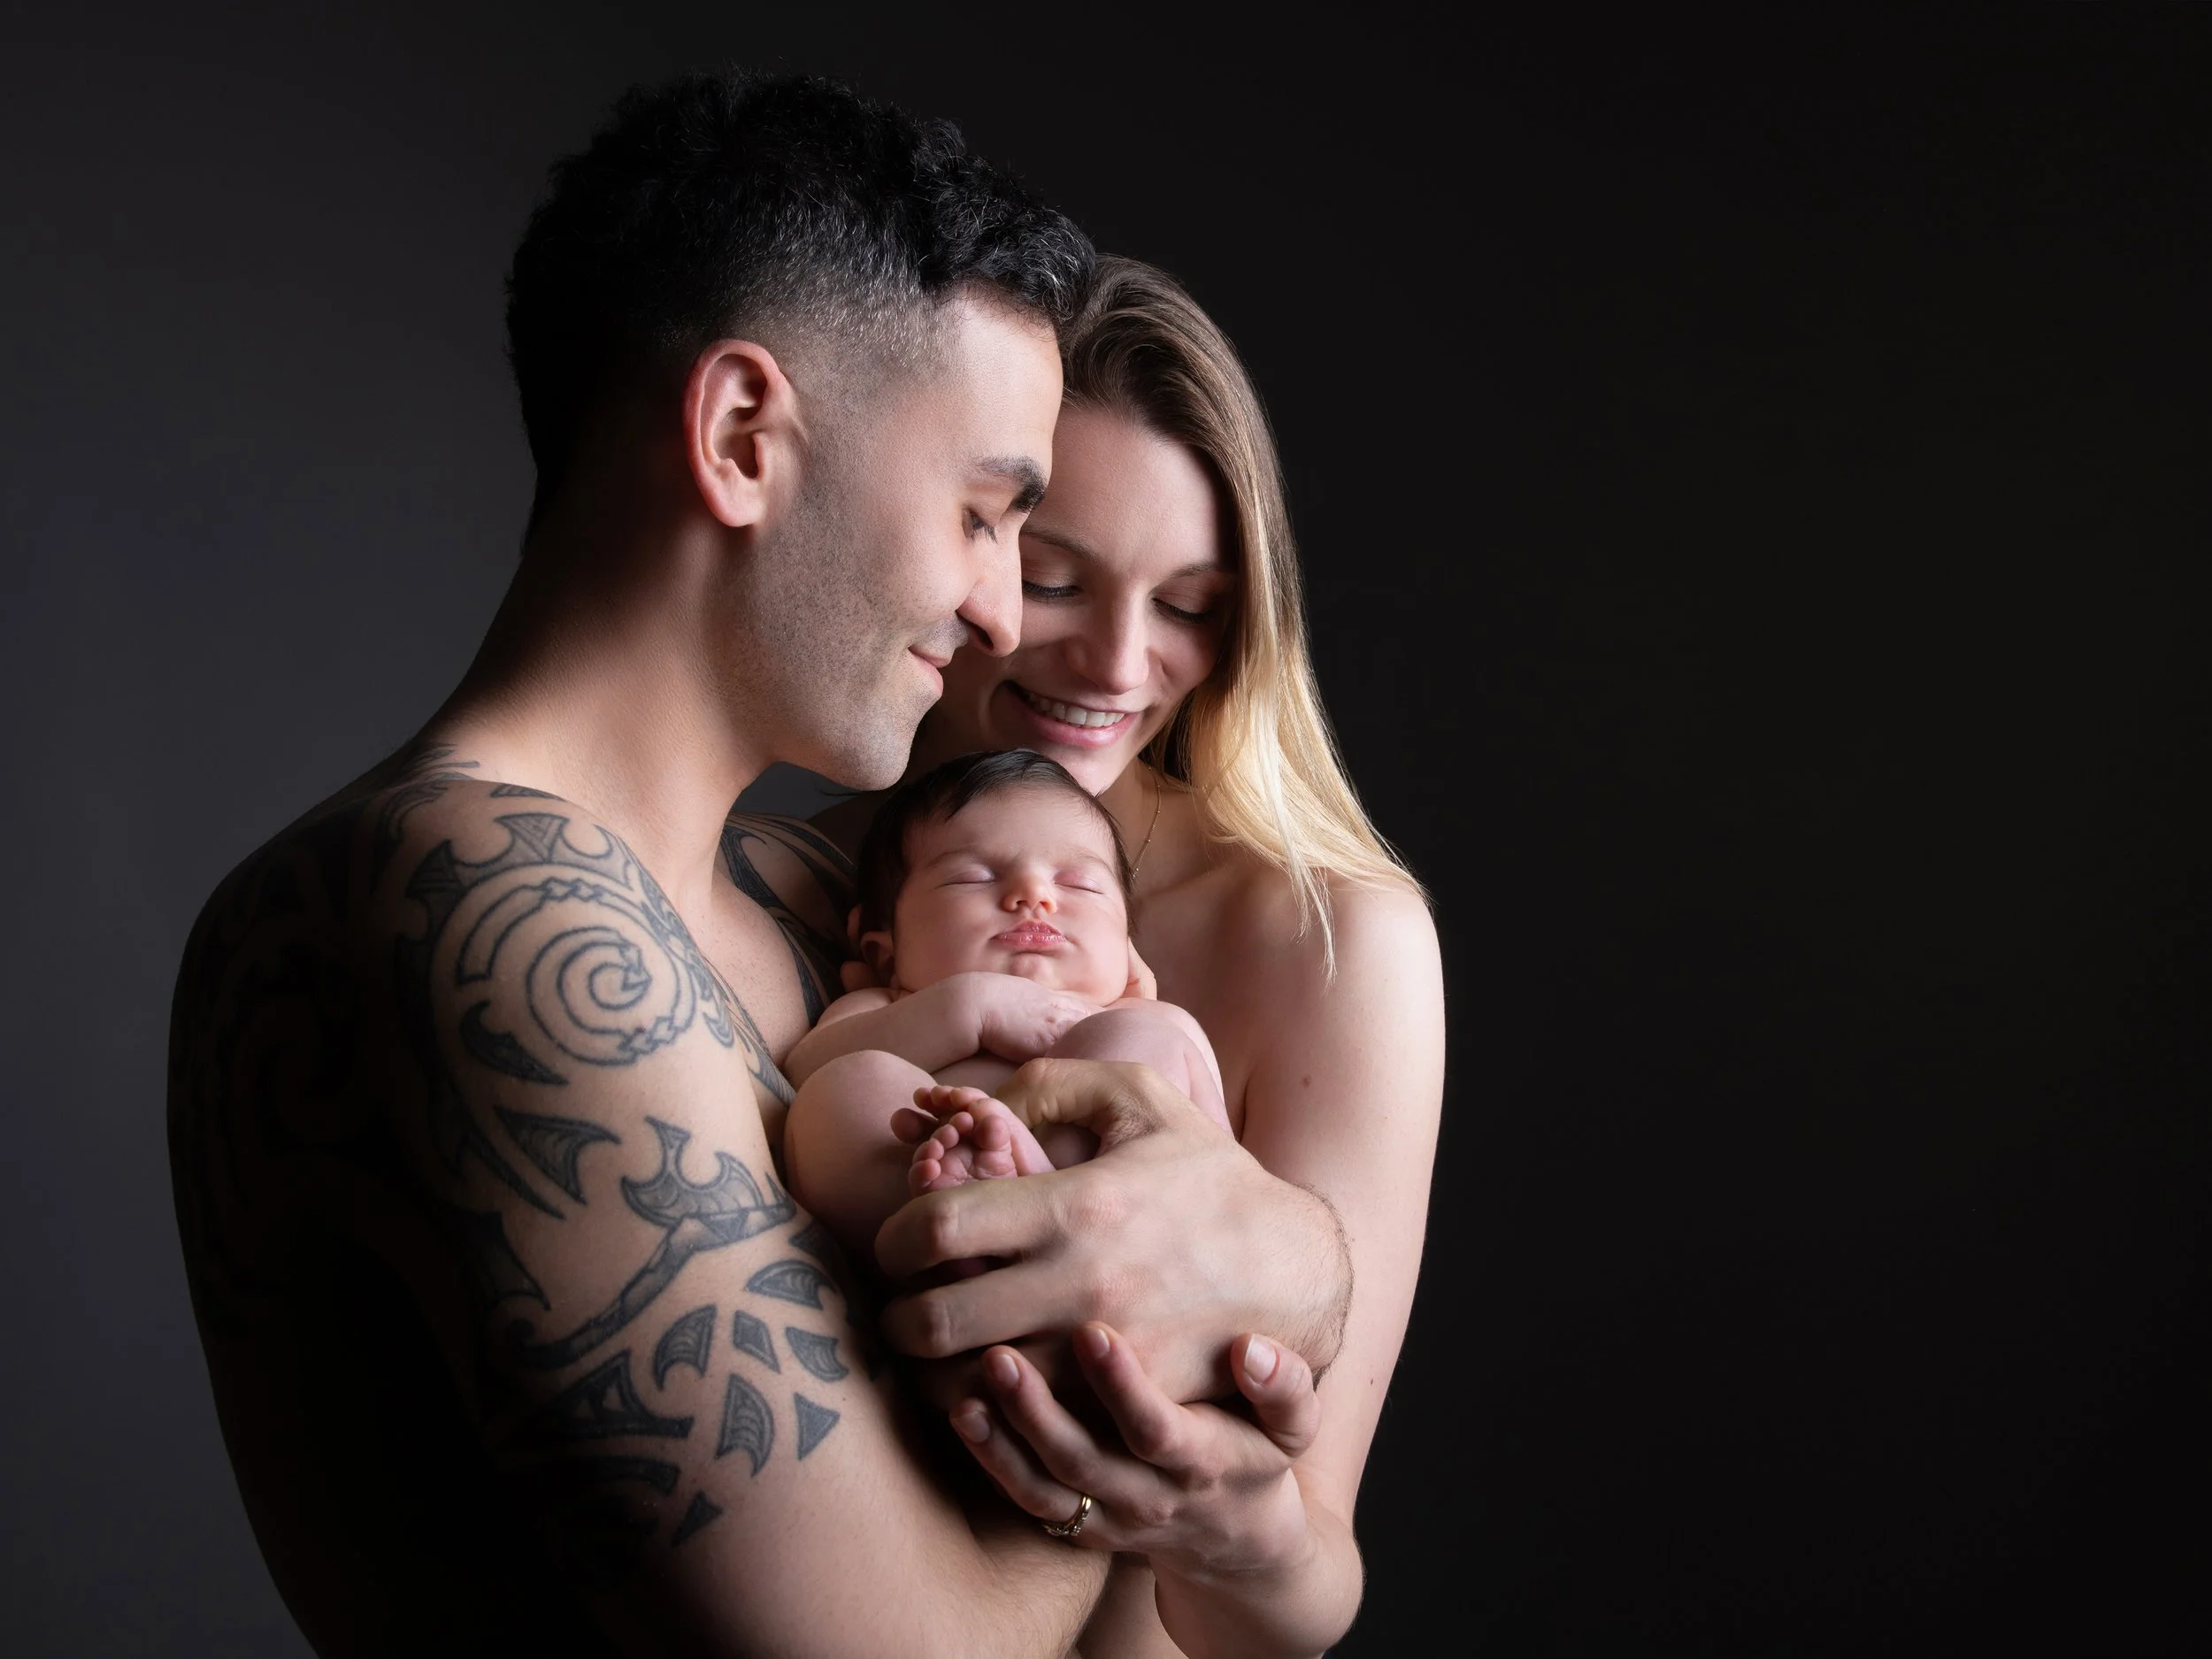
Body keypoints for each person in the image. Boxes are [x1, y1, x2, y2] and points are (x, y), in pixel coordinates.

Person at [167, 72, 1354, 1658]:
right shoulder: (469, 902)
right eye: (982, 512)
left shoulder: (810, 905)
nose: (1003, 612)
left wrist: (1295, 1256)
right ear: (742, 438)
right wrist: (1171, 1346)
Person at [813, 255, 1447, 1656]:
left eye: (1189, 603)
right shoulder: (809, 881)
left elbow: (1298, 1602)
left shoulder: (1334, 936)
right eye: (1055, 579)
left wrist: (1240, 1521)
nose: (1115, 663)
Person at [782, 748, 1231, 1261]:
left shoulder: (1142, 1017)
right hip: (926, 1208)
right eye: (973, 877)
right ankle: (954, 1238)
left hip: (1129, 1241)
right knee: (846, 1084)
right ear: (885, 955)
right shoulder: (890, 1004)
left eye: (1080, 884)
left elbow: (1221, 1161)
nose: (1034, 894)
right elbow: (805, 1071)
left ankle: (1054, 1215)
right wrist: (971, 1007)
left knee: (1148, 1041)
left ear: (1126, 945)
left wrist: (1136, 1026)